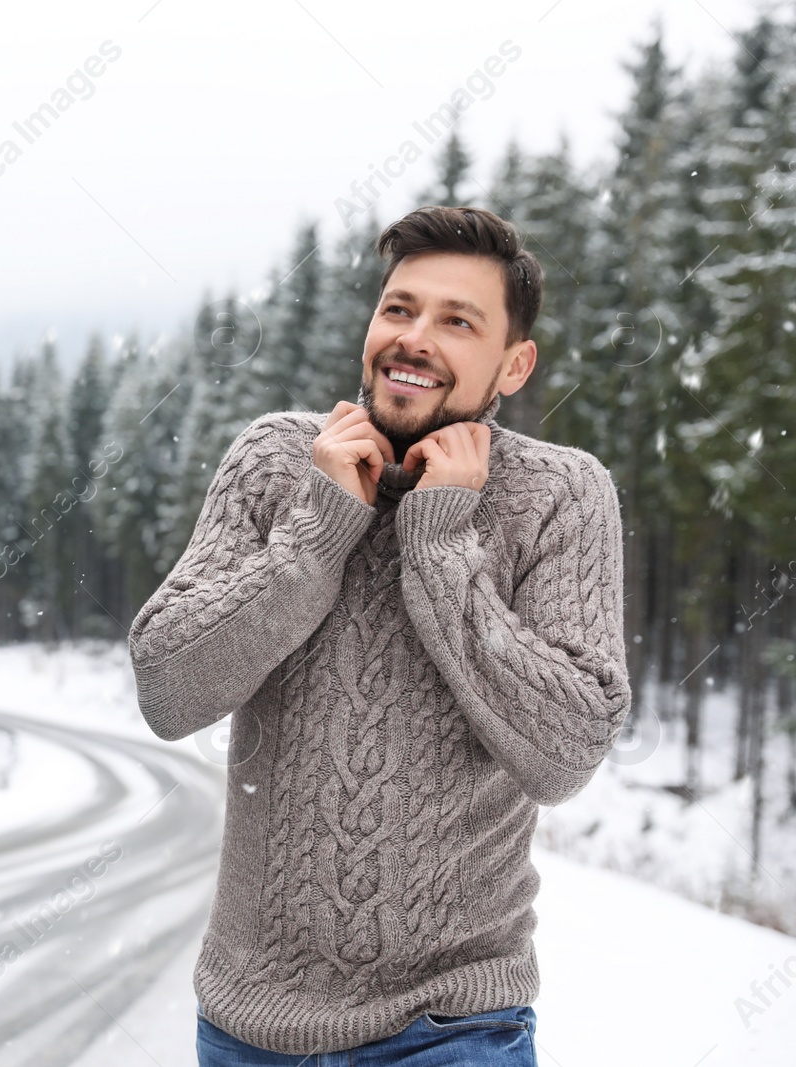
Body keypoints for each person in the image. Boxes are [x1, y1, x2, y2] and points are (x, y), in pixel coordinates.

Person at [127, 205, 630, 1065]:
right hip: (252, 1029)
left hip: (454, 1026)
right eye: (399, 308)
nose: (414, 338)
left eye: (456, 320)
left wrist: (438, 542)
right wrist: (319, 529)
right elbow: (169, 690)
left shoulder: (562, 494)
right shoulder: (276, 460)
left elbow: (567, 750)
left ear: (515, 364)